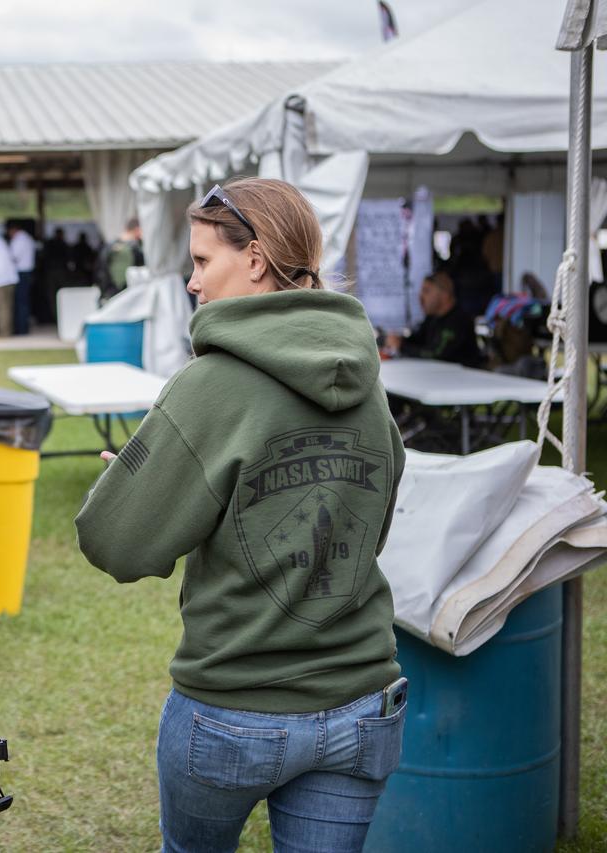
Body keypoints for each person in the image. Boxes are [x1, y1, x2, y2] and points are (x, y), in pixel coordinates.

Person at [76, 178, 407, 853]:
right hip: (361, 703)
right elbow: (371, 516)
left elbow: (115, 542)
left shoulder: (211, 386)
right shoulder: (369, 385)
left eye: (202, 261)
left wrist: (133, 487)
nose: (192, 283)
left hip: (232, 709)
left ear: (254, 259)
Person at [384, 271, 483, 367]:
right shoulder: (432, 318)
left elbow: (436, 354)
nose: (420, 296)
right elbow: (418, 339)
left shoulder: (458, 320)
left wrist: (401, 346)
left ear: (444, 295)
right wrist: (398, 340)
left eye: (426, 291)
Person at [96, 217, 145, 298]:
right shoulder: (134, 249)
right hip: (126, 295)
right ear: (137, 230)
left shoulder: (109, 246)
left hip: (109, 295)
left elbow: (99, 272)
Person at [7, 221, 36, 335]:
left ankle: (21, 328)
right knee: (24, 301)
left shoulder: (19, 240)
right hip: (27, 272)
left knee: (20, 302)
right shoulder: (27, 238)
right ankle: (23, 327)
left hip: (21, 272)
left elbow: (13, 257)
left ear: (13, 230)